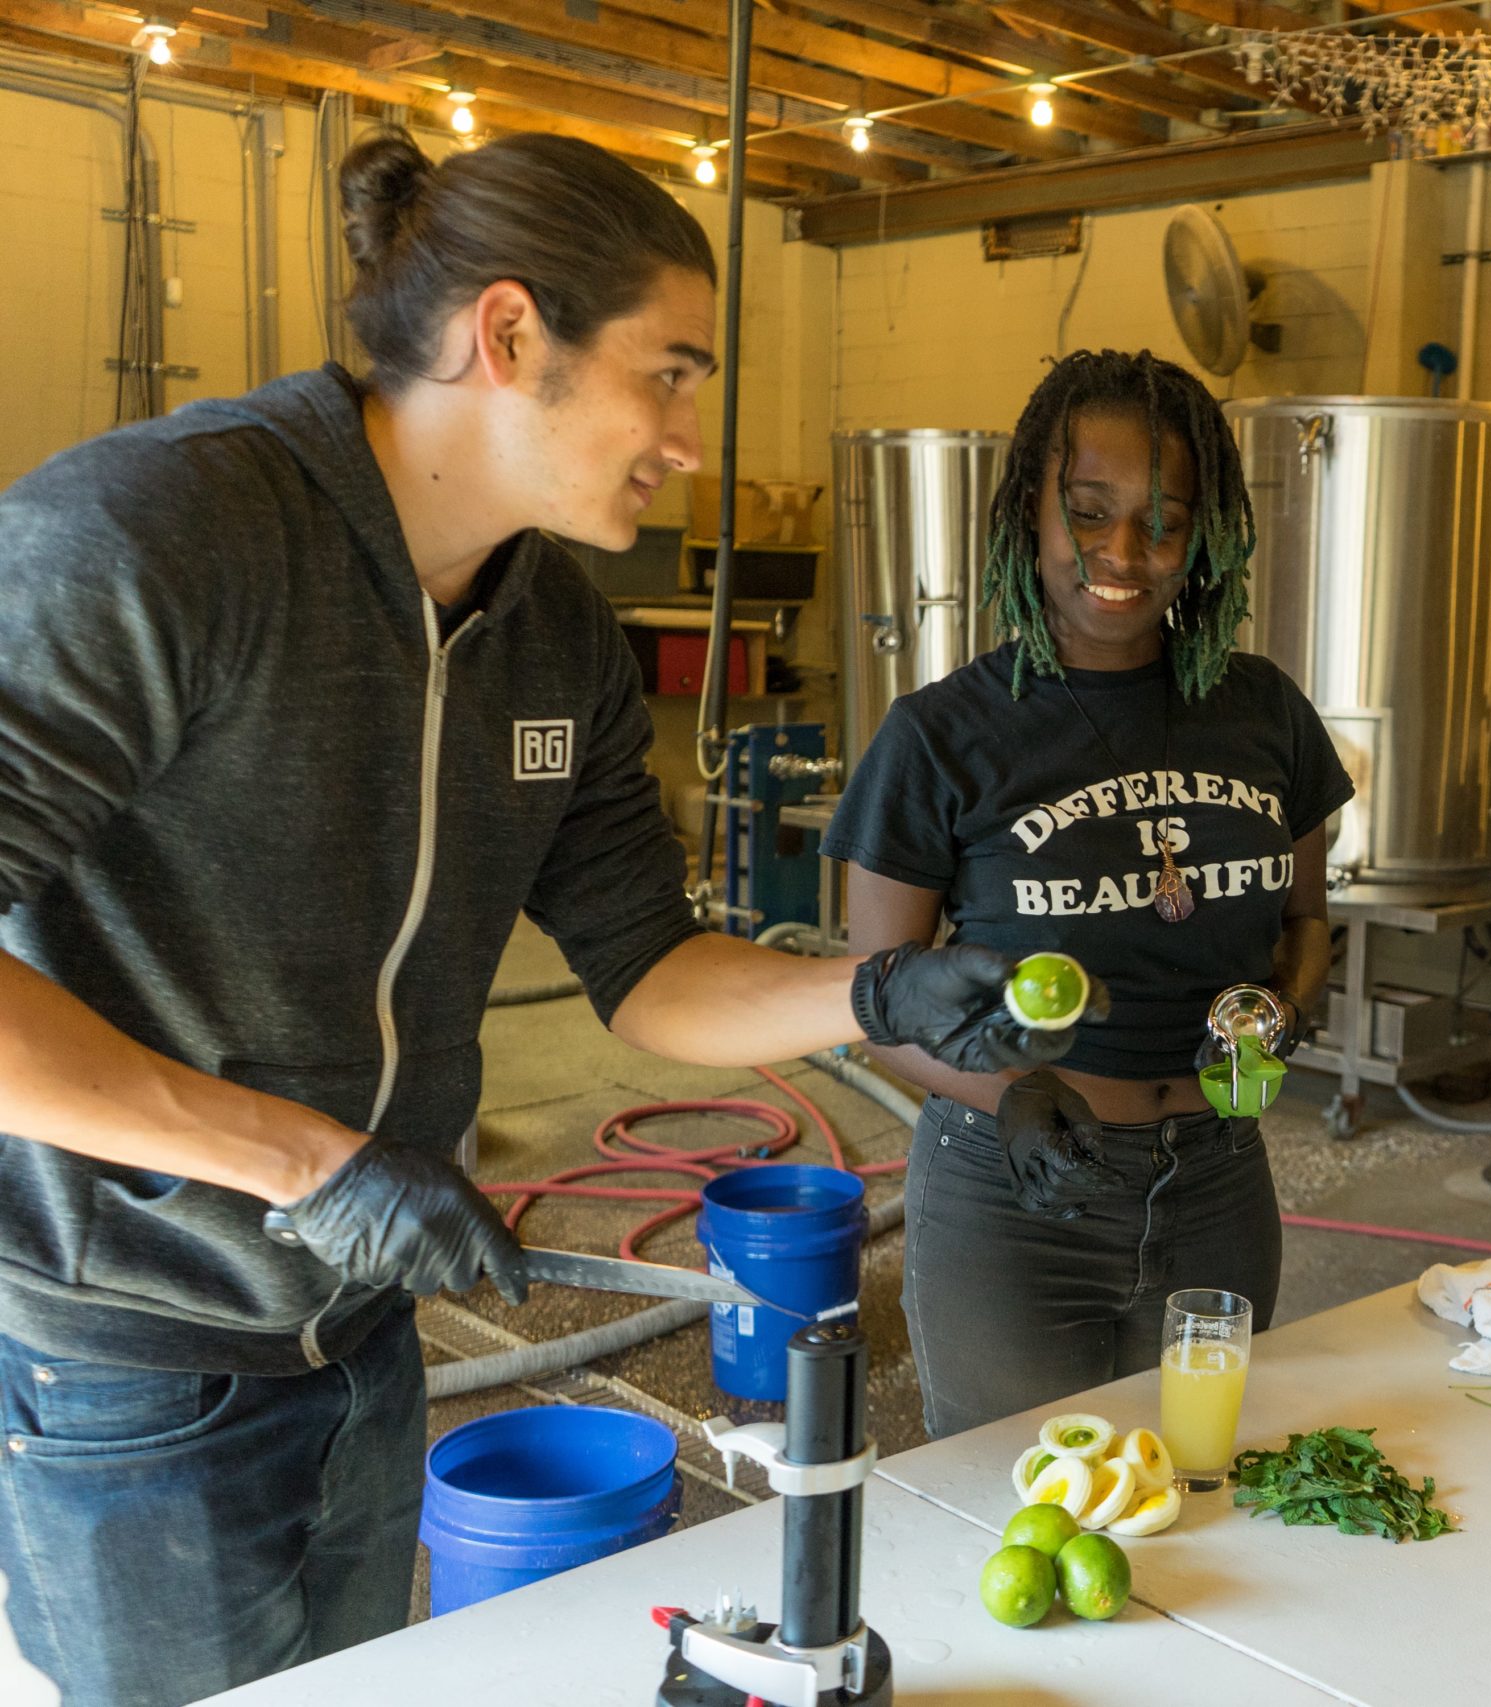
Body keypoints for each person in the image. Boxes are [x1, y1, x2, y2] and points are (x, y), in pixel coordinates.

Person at [0, 129, 1080, 1706]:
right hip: (130, 1348)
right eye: (673, 373)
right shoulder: (165, 537)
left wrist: (882, 991)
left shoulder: (553, 634)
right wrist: (308, 1164)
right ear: (509, 338)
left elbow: (647, 967)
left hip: (365, 1332)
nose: (695, 439)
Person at [825, 349, 1354, 1438]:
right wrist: (1009, 1096)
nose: (1124, 553)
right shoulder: (940, 736)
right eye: (1089, 513)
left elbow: (1305, 923)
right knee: (1011, 1507)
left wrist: (1285, 1011)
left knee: (1197, 1492)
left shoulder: (1265, 712)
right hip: (1014, 1191)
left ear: (1202, 536)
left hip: (1217, 1183)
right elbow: (873, 1001)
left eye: (1162, 522)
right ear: (1033, 512)